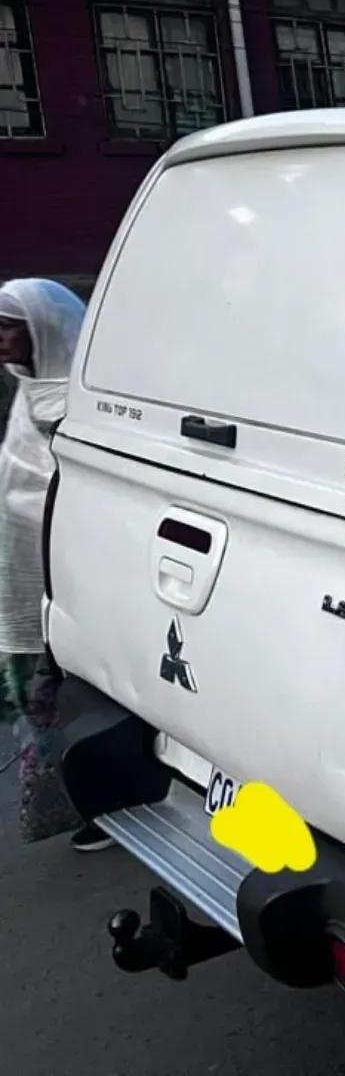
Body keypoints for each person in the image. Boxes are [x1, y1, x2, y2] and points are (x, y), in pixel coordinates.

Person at [0, 278, 99, 850]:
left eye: (8, 324)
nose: (1, 338)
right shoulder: (26, 387)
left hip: (71, 580)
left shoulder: (83, 400)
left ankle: (97, 805)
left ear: (43, 326)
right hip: (24, 573)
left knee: (72, 697)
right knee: (38, 697)